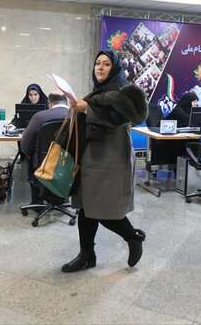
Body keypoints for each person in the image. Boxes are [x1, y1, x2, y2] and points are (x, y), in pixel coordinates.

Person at [63, 50, 148, 272]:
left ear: (115, 68)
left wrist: (88, 108)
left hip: (111, 158)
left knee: (105, 210)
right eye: (97, 63)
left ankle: (133, 237)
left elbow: (125, 116)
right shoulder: (99, 91)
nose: (100, 67)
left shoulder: (124, 91)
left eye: (107, 64)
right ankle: (86, 255)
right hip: (91, 157)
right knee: (85, 207)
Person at [19, 91, 69, 207]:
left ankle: (37, 202)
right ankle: (62, 199)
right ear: (66, 102)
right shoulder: (75, 116)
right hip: (67, 164)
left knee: (31, 158)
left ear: (50, 103)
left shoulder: (39, 117)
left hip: (43, 163)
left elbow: (25, 146)